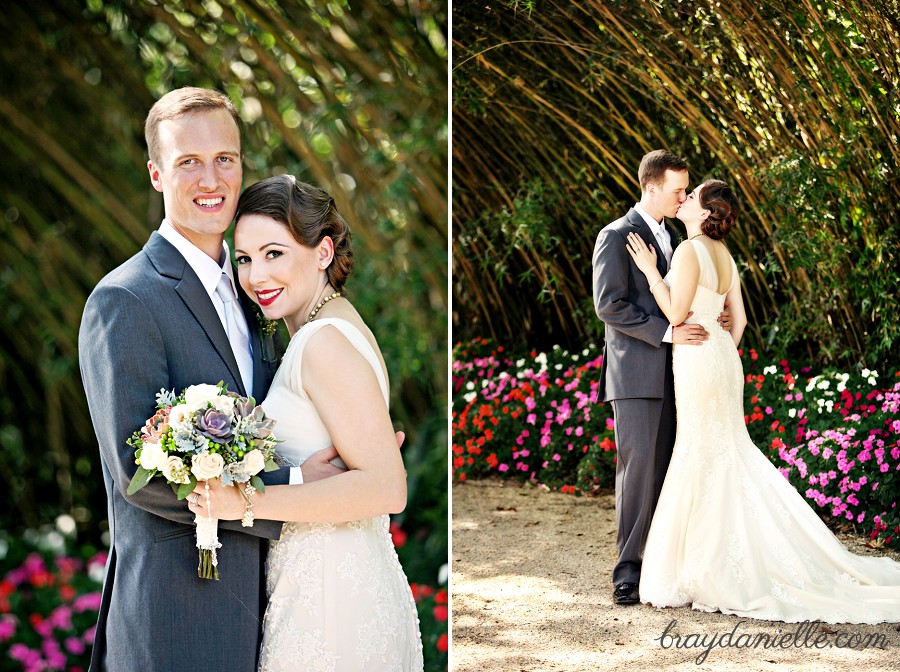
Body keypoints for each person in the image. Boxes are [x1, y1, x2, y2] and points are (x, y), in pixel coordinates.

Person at [78, 87, 343, 672]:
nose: (211, 179)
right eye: (188, 163)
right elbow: (138, 472)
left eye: (225, 158)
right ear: (156, 174)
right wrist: (298, 482)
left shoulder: (256, 291)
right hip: (177, 614)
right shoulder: (125, 300)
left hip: (274, 604)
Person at [627, 179, 900, 622]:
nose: (685, 198)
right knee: (727, 448)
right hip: (721, 357)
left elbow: (676, 315)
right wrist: (720, 345)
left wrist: (650, 272)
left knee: (701, 449)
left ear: (704, 211)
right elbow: (741, 320)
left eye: (692, 196)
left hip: (696, 358)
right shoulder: (725, 256)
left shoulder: (688, 250)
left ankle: (701, 564)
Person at [188, 174, 424, 670]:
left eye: (274, 253)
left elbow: (388, 488)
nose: (255, 277)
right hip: (322, 584)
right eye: (247, 259)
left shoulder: (323, 342)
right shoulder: (321, 331)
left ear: (322, 252)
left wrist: (243, 503)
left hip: (333, 600)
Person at [592, 150, 731, 606]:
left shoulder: (677, 236)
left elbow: (685, 295)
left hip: (682, 374)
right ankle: (627, 572)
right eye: (677, 191)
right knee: (638, 474)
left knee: (673, 472)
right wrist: (670, 331)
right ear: (651, 188)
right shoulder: (615, 236)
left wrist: (713, 318)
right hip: (637, 374)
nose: (682, 197)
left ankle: (665, 566)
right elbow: (609, 305)